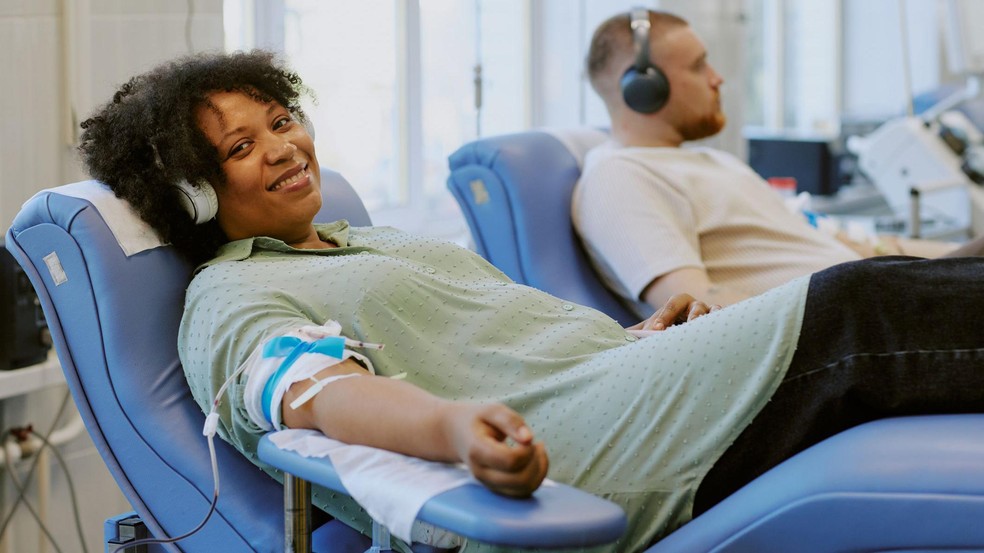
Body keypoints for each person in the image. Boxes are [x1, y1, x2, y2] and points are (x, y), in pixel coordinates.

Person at [77, 50, 984, 552]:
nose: (283, 147)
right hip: (580, 453)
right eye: (240, 148)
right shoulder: (233, 294)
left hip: (627, 388)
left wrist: (634, 338)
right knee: (859, 308)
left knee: (870, 304)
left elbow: (508, 344)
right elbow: (316, 393)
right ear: (192, 194)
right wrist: (454, 429)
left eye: (281, 120)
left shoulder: (372, 242)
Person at [573, 8, 981, 318]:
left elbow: (848, 247)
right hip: (851, 322)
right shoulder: (619, 177)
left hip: (875, 298)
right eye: (699, 67)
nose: (718, 78)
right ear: (643, 89)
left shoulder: (713, 162)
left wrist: (953, 255)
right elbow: (693, 308)